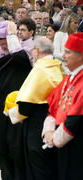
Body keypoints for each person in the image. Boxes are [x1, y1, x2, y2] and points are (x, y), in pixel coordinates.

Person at [5, 36, 64, 180]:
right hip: (55, 121)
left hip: (37, 125)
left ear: (36, 51)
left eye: (32, 51)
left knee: (38, 167)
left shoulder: (41, 68)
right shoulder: (57, 65)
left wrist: (11, 113)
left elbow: (27, 103)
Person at [0, 20, 33, 180]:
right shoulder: (2, 56)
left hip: (17, 108)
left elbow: (18, 55)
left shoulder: (24, 51)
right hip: (2, 107)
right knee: (3, 147)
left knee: (15, 148)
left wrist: (12, 34)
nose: (1, 46)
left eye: (2, 42)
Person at [42, 32, 83, 180]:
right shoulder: (68, 78)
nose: (63, 56)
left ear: (81, 56)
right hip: (61, 144)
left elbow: (76, 119)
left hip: (76, 146)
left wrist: (55, 138)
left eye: (67, 52)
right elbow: (53, 107)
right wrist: (48, 132)